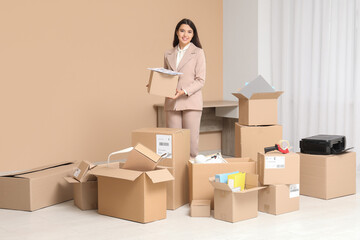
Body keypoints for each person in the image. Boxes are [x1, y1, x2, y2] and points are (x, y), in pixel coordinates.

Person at [163, 18, 206, 158]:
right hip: (172, 102)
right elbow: (166, 77)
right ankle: (177, 177)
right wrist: (155, 83)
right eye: (182, 31)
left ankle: (192, 176)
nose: (185, 34)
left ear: (193, 35)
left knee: (191, 147)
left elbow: (200, 80)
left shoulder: (198, 53)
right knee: (174, 146)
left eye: (189, 32)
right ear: (177, 32)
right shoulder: (168, 54)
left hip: (191, 101)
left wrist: (184, 91)